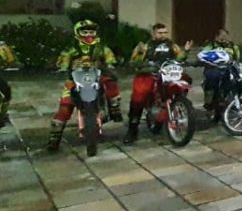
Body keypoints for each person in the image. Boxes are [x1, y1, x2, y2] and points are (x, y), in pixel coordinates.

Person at [50, 20, 123, 152]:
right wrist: (62, 67)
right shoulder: (71, 48)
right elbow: (63, 59)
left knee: (111, 83)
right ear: (77, 33)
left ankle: (114, 108)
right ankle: (54, 138)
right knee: (65, 107)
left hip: (96, 76)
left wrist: (111, 64)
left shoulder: (101, 47)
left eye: (91, 32)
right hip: (75, 78)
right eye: (85, 32)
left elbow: (110, 57)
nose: (89, 35)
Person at [127, 23, 192, 144]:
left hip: (168, 74)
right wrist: (141, 57)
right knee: (139, 96)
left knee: (186, 79)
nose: (163, 35)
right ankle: (132, 130)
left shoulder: (172, 46)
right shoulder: (145, 46)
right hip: (149, 74)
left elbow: (180, 58)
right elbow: (133, 61)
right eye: (160, 33)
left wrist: (186, 51)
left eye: (165, 32)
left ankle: (177, 102)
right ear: (154, 33)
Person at [200, 29, 242, 111]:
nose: (223, 38)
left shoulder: (233, 46)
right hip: (214, 69)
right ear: (216, 37)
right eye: (221, 36)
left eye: (225, 36)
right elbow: (202, 56)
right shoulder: (210, 46)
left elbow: (238, 58)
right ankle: (210, 101)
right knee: (212, 79)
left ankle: (236, 98)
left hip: (229, 69)